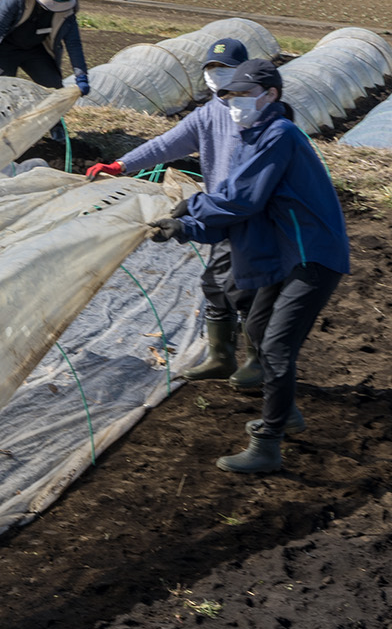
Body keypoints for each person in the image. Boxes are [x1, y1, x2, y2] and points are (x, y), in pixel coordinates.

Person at [147, 60, 350, 474]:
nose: (234, 104)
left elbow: (241, 201)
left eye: (242, 95)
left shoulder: (279, 135)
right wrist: (185, 227)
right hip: (287, 253)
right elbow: (239, 213)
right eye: (230, 97)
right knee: (257, 327)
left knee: (275, 347)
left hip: (312, 254)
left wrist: (193, 205)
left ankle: (268, 443)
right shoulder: (254, 137)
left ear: (270, 94)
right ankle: (286, 413)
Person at [85, 37, 257, 383]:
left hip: (253, 212)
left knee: (247, 286)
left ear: (243, 72)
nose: (216, 75)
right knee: (215, 283)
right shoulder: (208, 115)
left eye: (225, 69)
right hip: (221, 210)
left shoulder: (254, 114)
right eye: (211, 68)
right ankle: (221, 357)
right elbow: (166, 144)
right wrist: (120, 165)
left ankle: (259, 363)